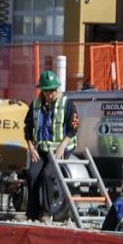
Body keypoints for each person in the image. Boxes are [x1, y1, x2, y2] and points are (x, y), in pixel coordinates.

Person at [23, 70, 80, 221]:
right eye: (48, 92)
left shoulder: (67, 104)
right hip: (41, 149)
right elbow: (27, 129)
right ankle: (33, 214)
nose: (51, 95)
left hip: (61, 149)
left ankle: (47, 213)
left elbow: (73, 128)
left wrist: (62, 147)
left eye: (54, 91)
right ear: (42, 91)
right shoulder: (35, 105)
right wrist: (31, 147)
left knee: (48, 175)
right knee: (32, 174)